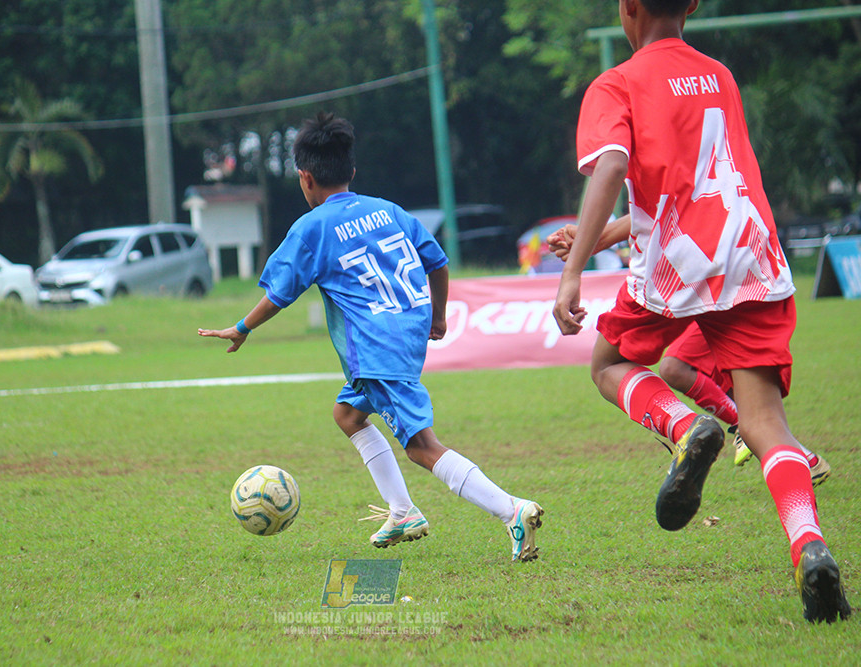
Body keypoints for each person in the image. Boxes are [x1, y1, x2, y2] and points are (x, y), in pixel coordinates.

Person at [552, 0, 850, 622]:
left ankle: (688, 430)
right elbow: (698, 183)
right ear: (690, 5)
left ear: (626, 8)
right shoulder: (719, 75)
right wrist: (602, 237)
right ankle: (809, 544)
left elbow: (612, 165)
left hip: (678, 264)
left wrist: (575, 267)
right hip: (752, 255)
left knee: (609, 364)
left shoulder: (618, 83)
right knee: (768, 421)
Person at [199, 112, 544, 562]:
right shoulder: (389, 210)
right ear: (352, 172)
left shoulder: (312, 227)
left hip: (376, 352)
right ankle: (402, 511)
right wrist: (438, 316)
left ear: (305, 178)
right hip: (406, 338)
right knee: (347, 415)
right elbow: (437, 262)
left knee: (422, 447)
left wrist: (241, 328)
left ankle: (511, 510)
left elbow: (280, 294)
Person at [547, 220, 831, 484]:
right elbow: (654, 202)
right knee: (676, 368)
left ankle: (789, 456)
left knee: (611, 365)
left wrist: (585, 248)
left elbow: (639, 192)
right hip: (727, 267)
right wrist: (590, 239)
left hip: (707, 270)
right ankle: (805, 522)